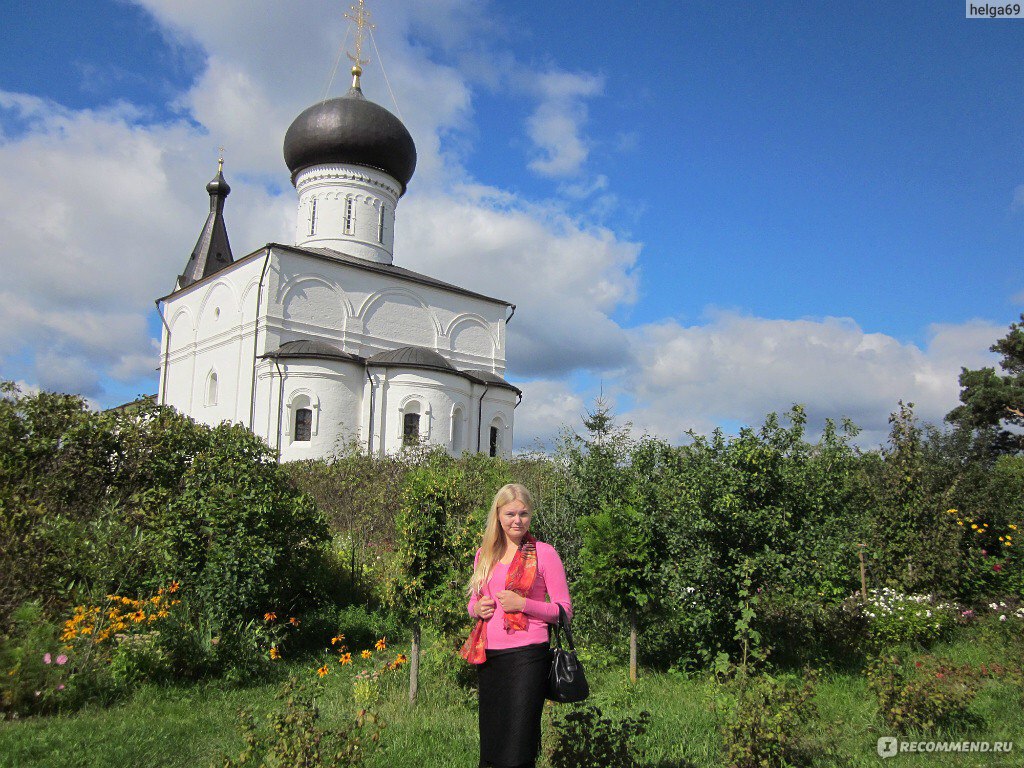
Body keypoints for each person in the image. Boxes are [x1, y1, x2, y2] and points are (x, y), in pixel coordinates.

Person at [460, 483, 573, 768]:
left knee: (518, 746)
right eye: (510, 513)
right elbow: (473, 602)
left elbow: (564, 612)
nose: (517, 520)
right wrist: (478, 609)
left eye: (523, 514)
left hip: (528, 656)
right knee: (493, 743)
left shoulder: (544, 553)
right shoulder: (483, 554)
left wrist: (524, 605)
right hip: (490, 657)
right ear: (498, 515)